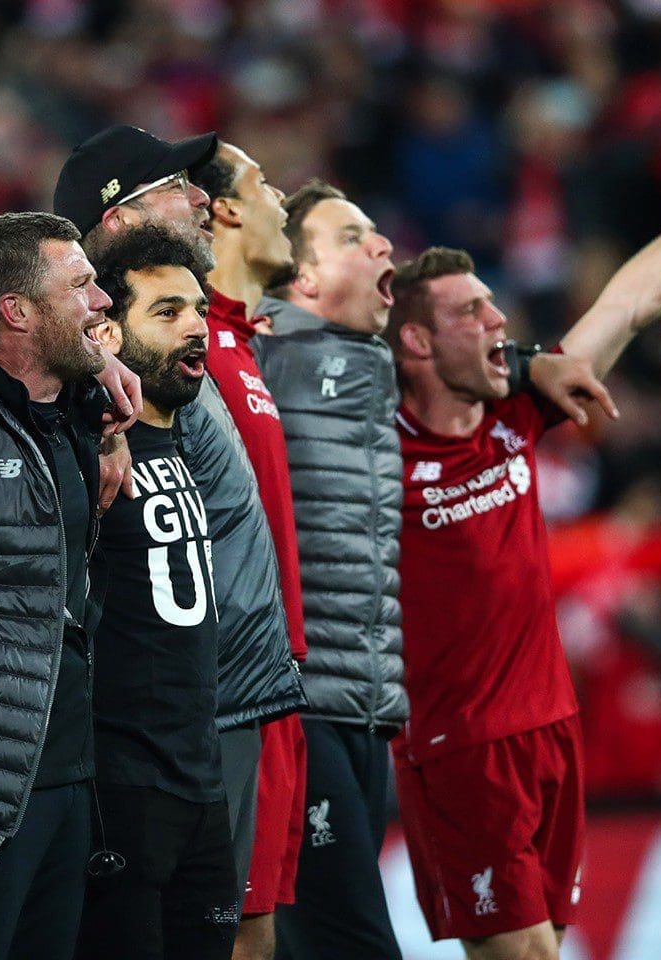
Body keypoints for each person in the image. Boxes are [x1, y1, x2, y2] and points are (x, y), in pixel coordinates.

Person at [385, 142, 661, 960]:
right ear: (415, 343)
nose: (499, 321)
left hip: (551, 729)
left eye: (493, 305)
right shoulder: (372, 452)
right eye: (469, 313)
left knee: (550, 944)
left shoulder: (520, 416)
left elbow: (635, 302)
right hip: (460, 747)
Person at [55, 125, 303, 906]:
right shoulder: (114, 374)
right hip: (184, 709)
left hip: (243, 689)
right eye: (176, 186)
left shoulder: (207, 338)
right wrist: (98, 394)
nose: (202, 196)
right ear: (120, 220)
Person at [0, 212, 134, 960]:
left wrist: (108, 424)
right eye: (80, 285)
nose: (102, 301)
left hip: (73, 771)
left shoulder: (82, 412)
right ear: (16, 310)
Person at [76, 223, 240, 960]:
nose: (196, 329)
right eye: (168, 312)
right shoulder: (80, 450)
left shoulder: (181, 442)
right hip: (121, 786)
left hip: (201, 782)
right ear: (108, 331)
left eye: (199, 310)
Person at [254, 179, 407, 960]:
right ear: (300, 276)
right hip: (300, 705)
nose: (383, 246)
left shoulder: (371, 362)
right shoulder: (259, 350)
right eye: (352, 237)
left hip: (366, 709)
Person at [192, 142, 308, 960]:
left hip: (275, 681)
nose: (282, 202)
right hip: (230, 686)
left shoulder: (242, 341)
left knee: (259, 933)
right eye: (265, 184)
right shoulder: (188, 344)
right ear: (226, 209)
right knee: (236, 937)